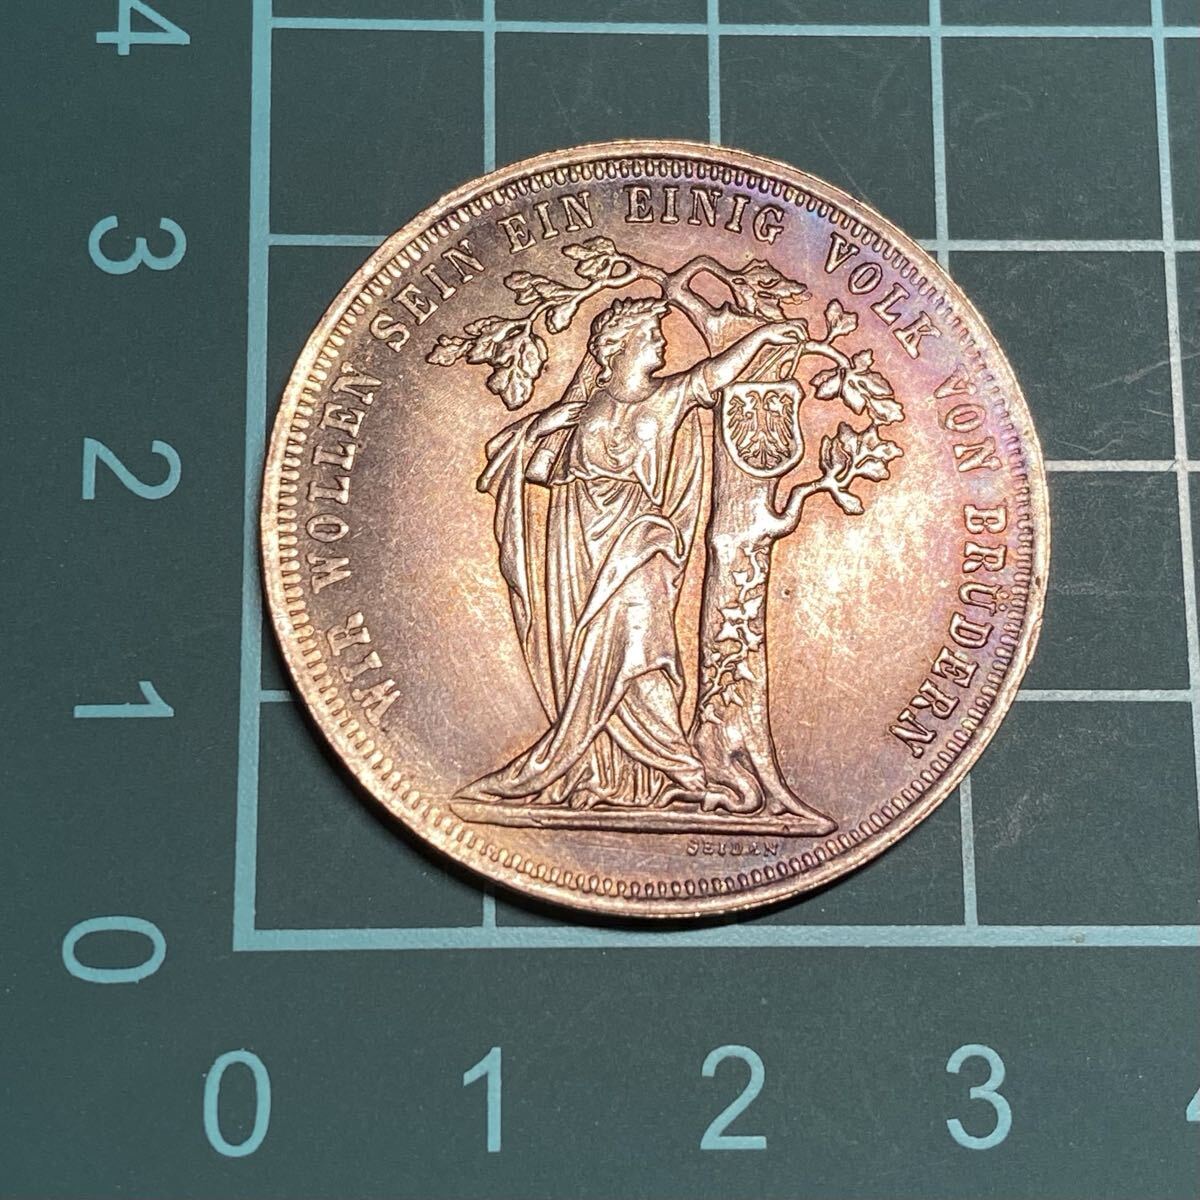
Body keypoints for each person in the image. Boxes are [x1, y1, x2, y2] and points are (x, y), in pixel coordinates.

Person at [460, 296, 804, 809]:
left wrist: (759, 338)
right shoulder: (586, 404)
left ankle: (679, 766)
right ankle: (606, 772)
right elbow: (536, 469)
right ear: (619, 347)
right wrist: (546, 423)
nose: (662, 342)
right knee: (588, 655)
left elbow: (712, 374)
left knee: (645, 650)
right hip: (580, 543)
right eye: (651, 334)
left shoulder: (667, 397)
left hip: (641, 540)